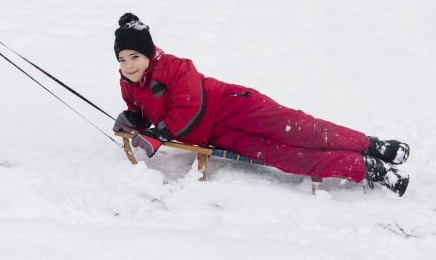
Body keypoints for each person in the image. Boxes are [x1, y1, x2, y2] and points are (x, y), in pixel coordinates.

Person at [111, 13, 410, 196]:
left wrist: (160, 133)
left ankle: (371, 145)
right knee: (288, 158)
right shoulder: (129, 84)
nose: (128, 65)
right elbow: (145, 113)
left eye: (134, 57)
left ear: (149, 53)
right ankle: (367, 168)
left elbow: (190, 106)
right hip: (218, 136)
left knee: (301, 130)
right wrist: (132, 119)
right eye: (122, 59)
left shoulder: (177, 67)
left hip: (233, 105)